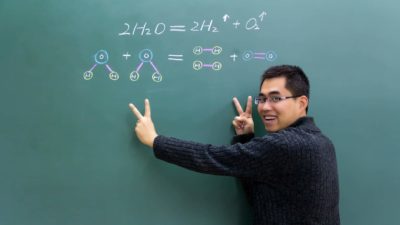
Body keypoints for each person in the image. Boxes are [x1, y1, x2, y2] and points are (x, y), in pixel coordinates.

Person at [129, 65, 340, 225]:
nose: (265, 107)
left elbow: (212, 157)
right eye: (262, 99)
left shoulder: (286, 145)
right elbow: (264, 189)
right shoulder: (321, 141)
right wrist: (246, 139)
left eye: (276, 98)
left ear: (301, 102)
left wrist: (155, 140)